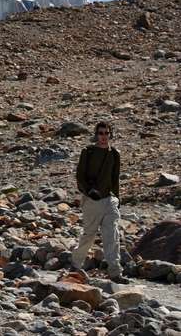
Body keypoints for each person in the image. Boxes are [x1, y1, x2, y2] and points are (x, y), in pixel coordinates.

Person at [71, 121, 129, 283]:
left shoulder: (114, 153)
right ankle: (75, 265)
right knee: (89, 235)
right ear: (96, 135)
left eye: (106, 133)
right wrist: (88, 192)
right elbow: (80, 176)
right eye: (101, 133)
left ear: (110, 134)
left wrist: (117, 199)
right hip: (91, 201)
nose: (103, 136)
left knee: (112, 235)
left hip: (109, 200)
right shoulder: (88, 152)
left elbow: (115, 178)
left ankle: (115, 272)